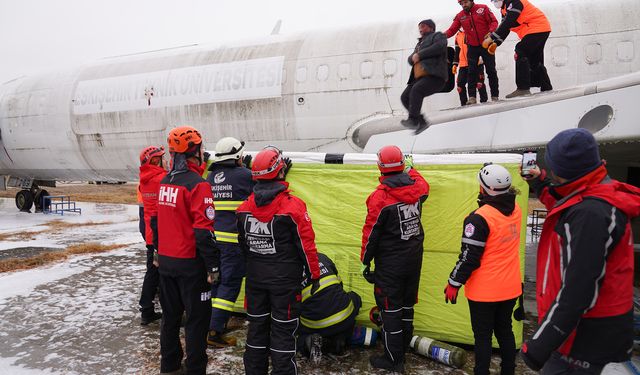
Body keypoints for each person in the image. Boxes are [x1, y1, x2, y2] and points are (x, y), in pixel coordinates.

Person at [520, 128, 640, 373]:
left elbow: (579, 289)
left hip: (583, 335)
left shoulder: (590, 215)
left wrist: (542, 343)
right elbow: (569, 201)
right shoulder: (594, 195)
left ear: (562, 172)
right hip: (586, 328)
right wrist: (539, 182)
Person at [237, 146, 321, 375]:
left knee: (256, 331)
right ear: (281, 171)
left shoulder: (244, 208)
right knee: (283, 333)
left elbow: (243, 245)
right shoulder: (293, 207)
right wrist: (314, 274)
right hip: (284, 284)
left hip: (256, 281)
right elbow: (307, 246)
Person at [444, 163, 522, 375]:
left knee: (483, 337)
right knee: (505, 331)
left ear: (482, 188)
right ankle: (508, 371)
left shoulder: (479, 218)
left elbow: (469, 257)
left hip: (485, 291)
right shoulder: (515, 209)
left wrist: (453, 282)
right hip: (510, 286)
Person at [156, 125, 220, 375]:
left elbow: (157, 223)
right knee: (196, 321)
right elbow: (204, 232)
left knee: (170, 319)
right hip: (191, 266)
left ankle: (169, 366)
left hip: (167, 264)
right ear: (194, 151)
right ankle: (195, 369)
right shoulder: (198, 185)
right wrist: (213, 266)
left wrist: (157, 253)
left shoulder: (165, 182)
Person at [361, 146, 430, 373]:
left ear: (380, 166)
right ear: (402, 164)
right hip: (414, 259)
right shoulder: (418, 188)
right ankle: (403, 349)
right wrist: (412, 168)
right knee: (407, 305)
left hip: (390, 264)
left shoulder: (379, 198)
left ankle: (394, 360)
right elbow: (424, 186)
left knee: (390, 310)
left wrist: (366, 260)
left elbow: (371, 234)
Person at [205, 137, 253, 347]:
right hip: (233, 241)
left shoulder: (210, 177)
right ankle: (214, 332)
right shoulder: (245, 175)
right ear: (237, 156)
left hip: (214, 240)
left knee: (216, 282)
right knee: (230, 284)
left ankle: (211, 322)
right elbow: (262, 190)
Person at [298, 252, 363, 364]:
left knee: (298, 335)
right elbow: (340, 285)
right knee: (355, 298)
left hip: (315, 324)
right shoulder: (321, 257)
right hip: (343, 316)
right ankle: (341, 338)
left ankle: (309, 343)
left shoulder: (287, 268)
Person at [485, 0, 552, 98]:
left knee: (520, 50)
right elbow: (505, 28)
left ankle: (523, 88)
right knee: (534, 61)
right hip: (540, 29)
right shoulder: (504, 9)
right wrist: (496, 43)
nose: (494, 2)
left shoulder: (514, 2)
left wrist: (492, 37)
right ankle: (546, 87)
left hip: (536, 28)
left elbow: (509, 21)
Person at [445, 0, 499, 104]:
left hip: (486, 44)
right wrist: (439, 36)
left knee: (491, 70)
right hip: (472, 47)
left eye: (466, 2)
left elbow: (494, 22)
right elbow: (451, 30)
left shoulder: (483, 8)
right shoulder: (460, 16)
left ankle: (495, 96)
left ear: (471, 1)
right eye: (461, 4)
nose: (464, 5)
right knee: (471, 72)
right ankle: (472, 97)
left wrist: (491, 32)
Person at [400, 19, 448, 133]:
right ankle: (421, 122)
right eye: (419, 27)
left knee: (417, 90)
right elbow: (411, 59)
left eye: (423, 27)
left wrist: (420, 55)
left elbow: (440, 47)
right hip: (420, 78)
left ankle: (412, 120)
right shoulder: (419, 44)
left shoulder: (438, 36)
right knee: (405, 97)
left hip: (435, 76)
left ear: (431, 28)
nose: (421, 29)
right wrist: (413, 57)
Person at [138, 145, 167, 325]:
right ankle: (154, 309)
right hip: (161, 235)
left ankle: (146, 309)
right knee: (160, 273)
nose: (166, 161)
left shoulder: (145, 180)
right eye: (162, 158)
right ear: (155, 161)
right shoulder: (161, 179)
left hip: (151, 235)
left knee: (153, 271)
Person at [453, 30, 489, 106]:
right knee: (460, 86)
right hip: (463, 65)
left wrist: (481, 57)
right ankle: (464, 105)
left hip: (476, 62)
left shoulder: (473, 31)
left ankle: (484, 102)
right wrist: (455, 64)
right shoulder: (458, 35)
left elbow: (481, 45)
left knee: (479, 84)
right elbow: (457, 51)